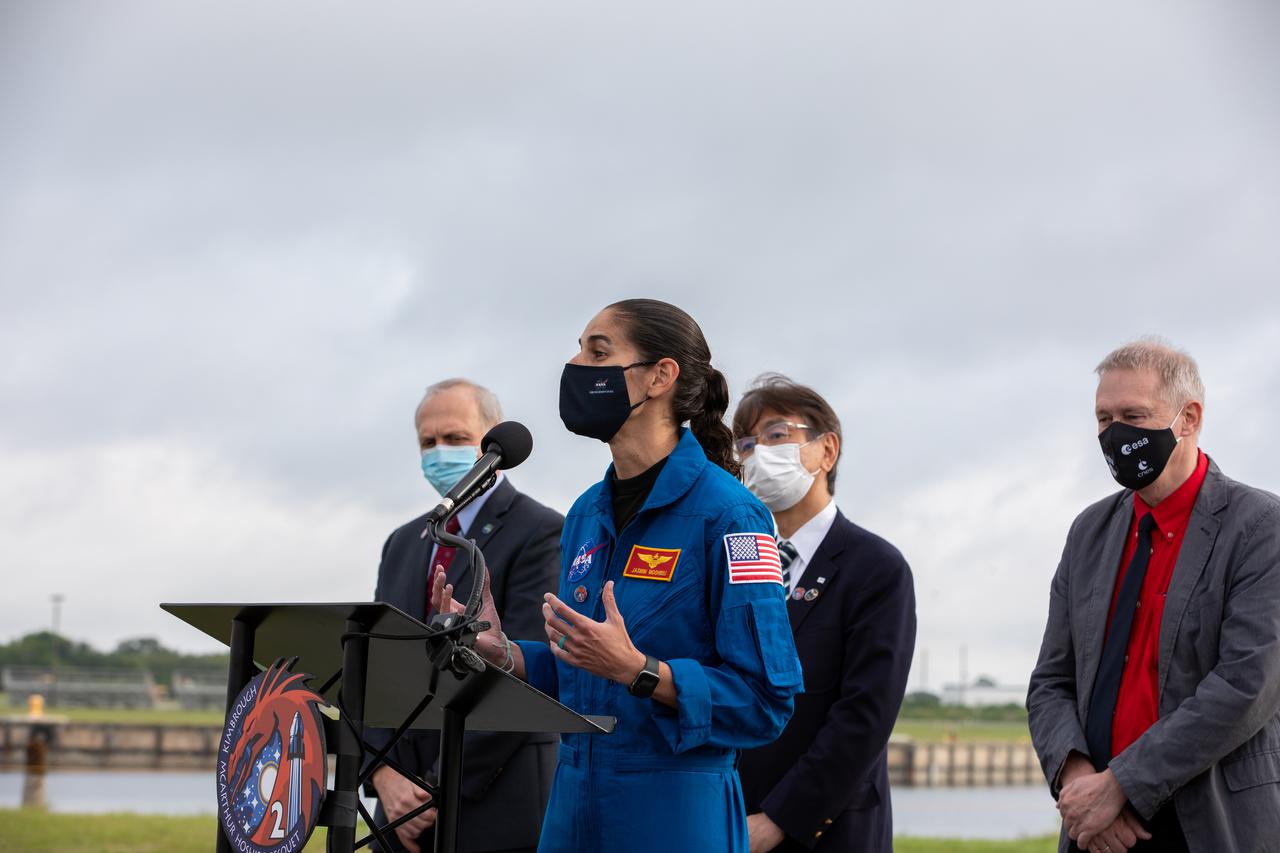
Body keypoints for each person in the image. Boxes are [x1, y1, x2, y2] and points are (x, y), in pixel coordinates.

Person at [432, 298, 803, 853]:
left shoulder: (732, 517)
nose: (577, 364)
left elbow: (765, 702)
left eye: (598, 351)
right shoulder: (586, 513)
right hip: (574, 806)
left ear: (660, 376)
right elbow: (583, 675)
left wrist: (642, 671)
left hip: (673, 812)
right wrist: (503, 652)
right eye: (579, 348)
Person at [1027, 339, 1280, 853]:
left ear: (1188, 419)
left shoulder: (1260, 529)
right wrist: (1079, 782)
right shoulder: (1089, 532)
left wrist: (1121, 786)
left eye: (1133, 416)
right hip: (1095, 830)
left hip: (1210, 824)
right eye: (1103, 418)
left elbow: (1244, 686)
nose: (1114, 434)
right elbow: (1052, 679)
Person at [369, 378, 563, 853]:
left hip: (496, 800)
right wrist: (383, 773)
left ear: (493, 441)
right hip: (397, 806)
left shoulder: (541, 532)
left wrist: (434, 788)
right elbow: (376, 663)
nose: (440, 452)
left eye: (455, 439)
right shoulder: (403, 541)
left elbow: (520, 670)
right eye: (427, 442)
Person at [732, 375, 916, 853]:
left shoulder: (874, 567)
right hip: (732, 817)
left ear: (826, 451)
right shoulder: (740, 560)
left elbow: (864, 717)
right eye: (745, 444)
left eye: (776, 435)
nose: (757, 454)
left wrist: (779, 818)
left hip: (827, 828)